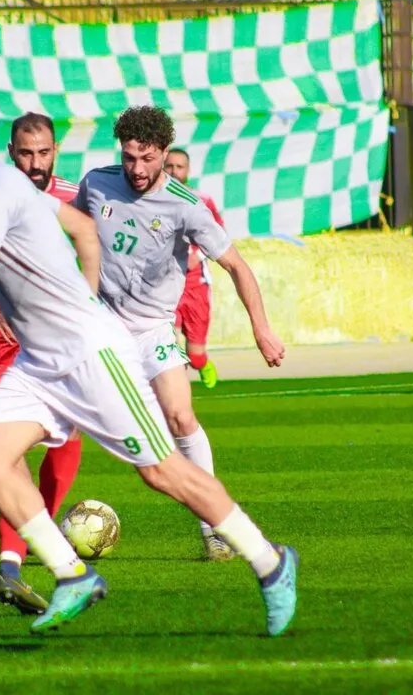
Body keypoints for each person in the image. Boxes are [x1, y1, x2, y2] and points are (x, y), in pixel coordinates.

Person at [0, 91, 298, 637]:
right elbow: (83, 230)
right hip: (40, 362)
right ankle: (72, 574)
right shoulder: (9, 182)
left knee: (161, 471)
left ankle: (271, 564)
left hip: (89, 354)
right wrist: (79, 291)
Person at [76, 107, 281, 562]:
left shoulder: (185, 204)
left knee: (181, 418)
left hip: (152, 329)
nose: (137, 169)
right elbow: (67, 232)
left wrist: (261, 330)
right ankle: (29, 529)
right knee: (61, 425)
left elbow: (236, 265)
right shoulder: (95, 183)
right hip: (101, 327)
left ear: (164, 153)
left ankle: (213, 528)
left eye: (147, 158)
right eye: (129, 157)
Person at [0, 113, 81, 614]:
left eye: (43, 153)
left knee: (64, 452)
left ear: (55, 149)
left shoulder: (74, 197)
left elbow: (93, 250)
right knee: (9, 463)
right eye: (25, 153)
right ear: (10, 150)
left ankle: (20, 557)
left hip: (60, 345)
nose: (35, 164)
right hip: (1, 346)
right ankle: (14, 562)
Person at [164, 148, 223, 389]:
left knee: (195, 355)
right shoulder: (152, 200)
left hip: (196, 285)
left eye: (179, 167)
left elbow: (219, 235)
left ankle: (202, 364)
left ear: (188, 171)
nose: (174, 171)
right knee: (169, 345)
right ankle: (175, 389)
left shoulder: (202, 200)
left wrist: (196, 255)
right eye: (170, 166)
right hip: (167, 285)